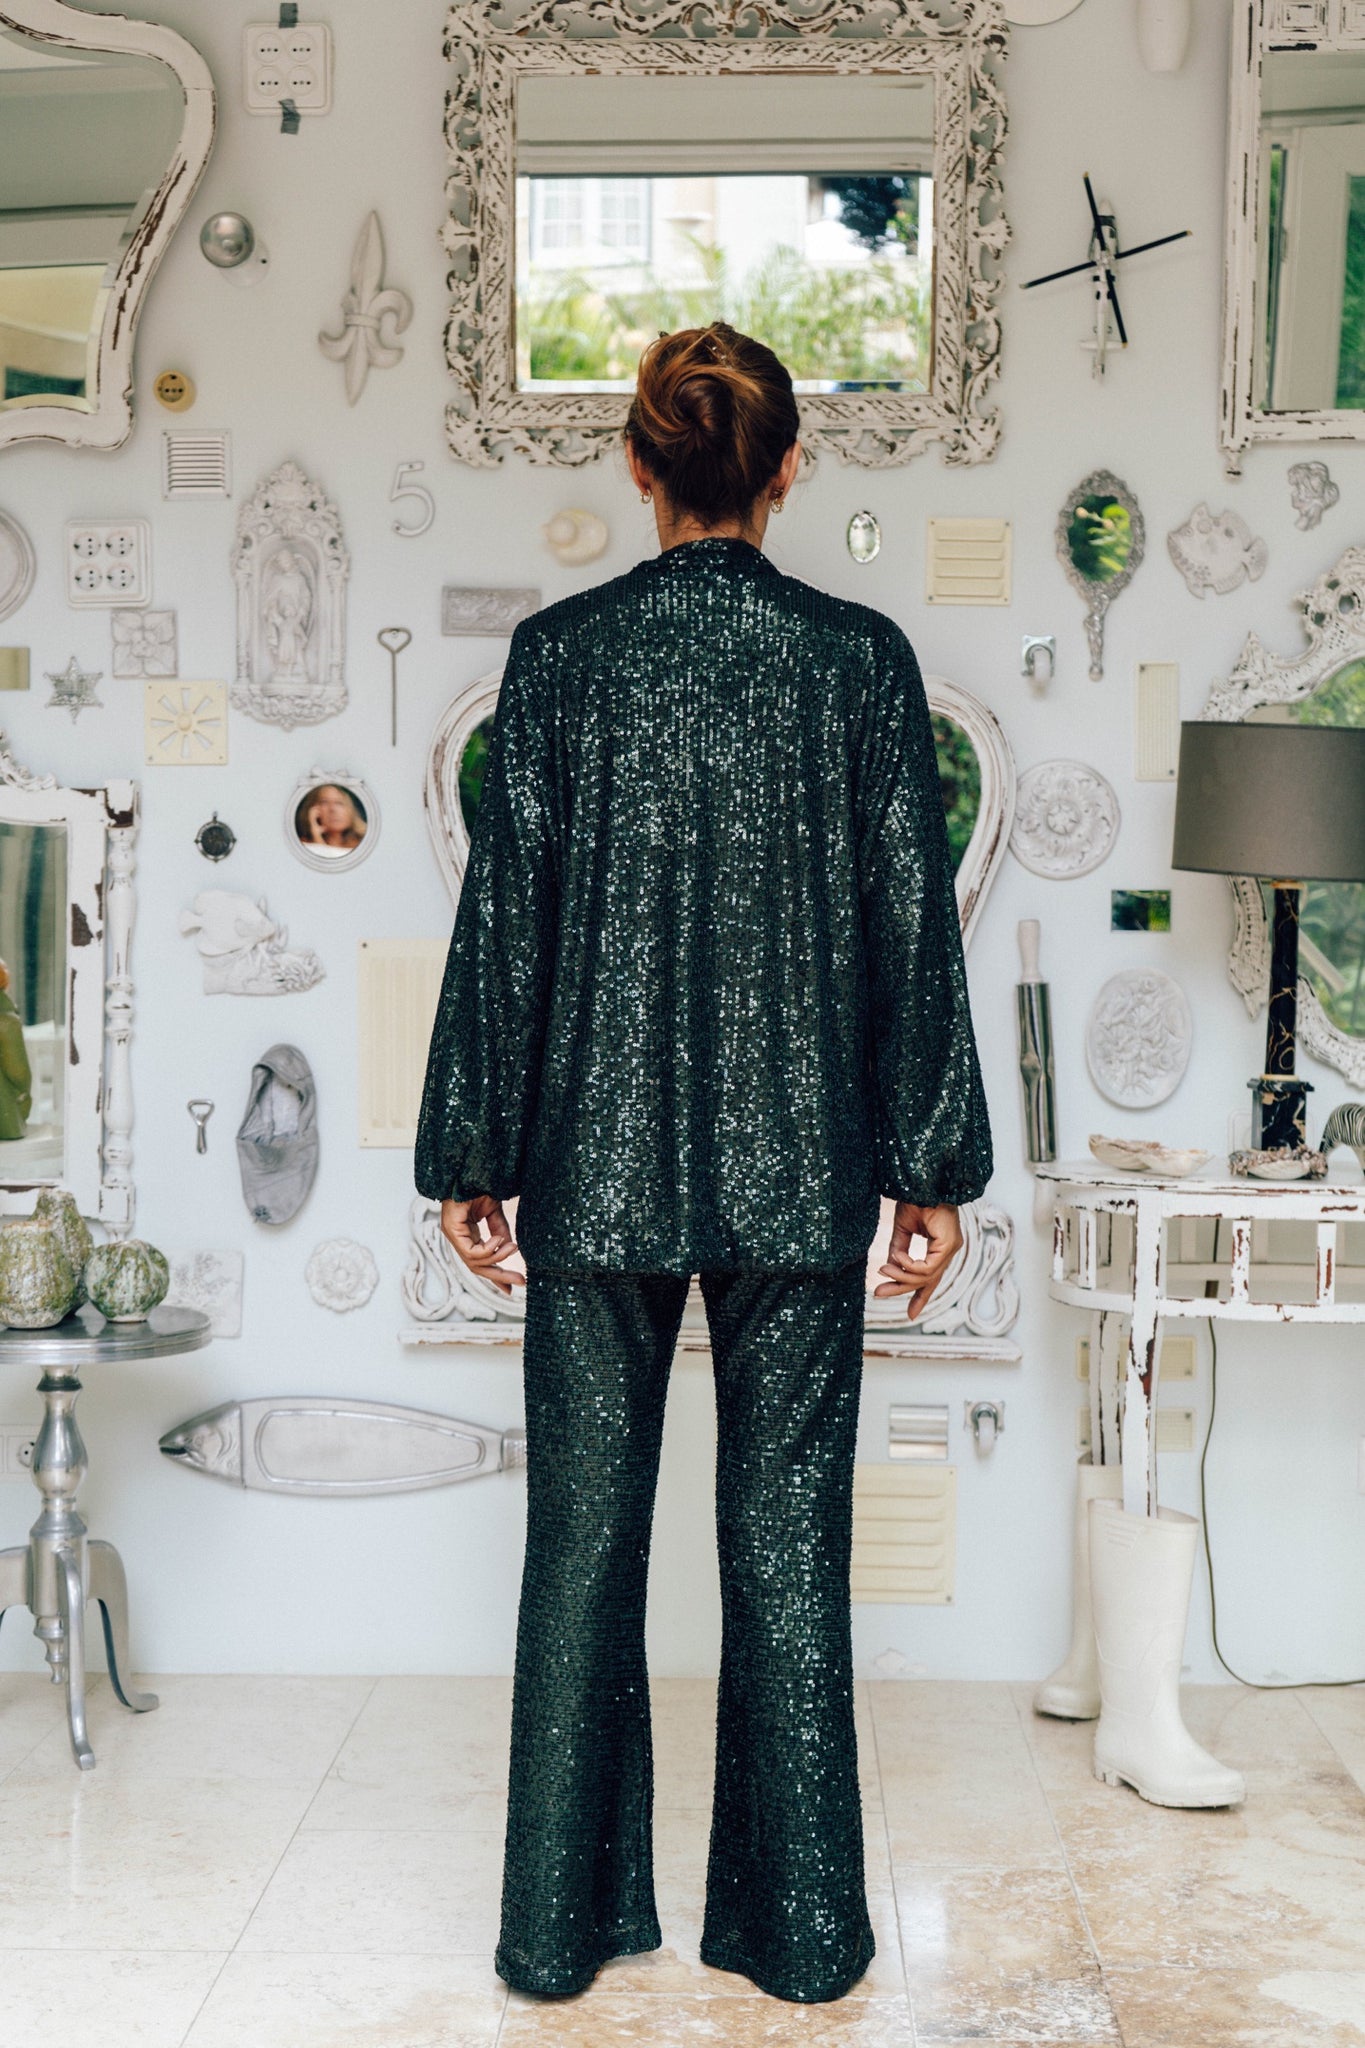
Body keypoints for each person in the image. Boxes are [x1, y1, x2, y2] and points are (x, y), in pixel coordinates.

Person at [415, 321, 992, 2005]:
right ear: (788, 468)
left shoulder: (558, 661)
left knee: (580, 1555)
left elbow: (504, 925)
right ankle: (800, 1937)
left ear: (638, 465)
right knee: (790, 1557)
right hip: (805, 1179)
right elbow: (911, 925)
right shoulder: (859, 662)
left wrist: (470, 1147)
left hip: (589, 1176)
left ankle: (556, 1933)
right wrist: (932, 1167)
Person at [297, 782, 365, 852]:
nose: (333, 809)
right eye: (324, 802)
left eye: (339, 803)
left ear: (350, 810)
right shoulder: (302, 845)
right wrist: (316, 834)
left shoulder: (363, 843)